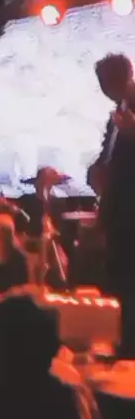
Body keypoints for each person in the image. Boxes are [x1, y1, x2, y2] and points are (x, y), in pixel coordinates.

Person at [88, 53, 135, 359]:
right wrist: (96, 171)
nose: (106, 89)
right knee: (118, 276)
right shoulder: (116, 115)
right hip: (117, 208)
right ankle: (124, 344)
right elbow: (109, 156)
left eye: (109, 81)